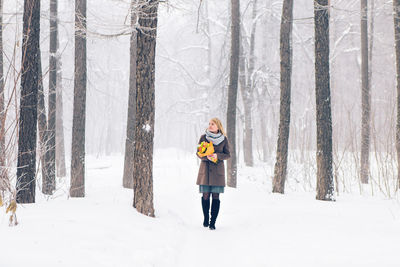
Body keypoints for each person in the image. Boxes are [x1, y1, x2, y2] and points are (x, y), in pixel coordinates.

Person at [196, 118, 230, 230]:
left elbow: (227, 155)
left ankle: (212, 222)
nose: (210, 126)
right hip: (205, 171)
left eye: (213, 124)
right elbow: (198, 153)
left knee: (216, 196)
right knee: (205, 196)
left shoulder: (224, 139)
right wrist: (206, 157)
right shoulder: (203, 137)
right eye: (209, 124)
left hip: (217, 173)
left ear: (218, 127)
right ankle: (206, 218)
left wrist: (217, 156)